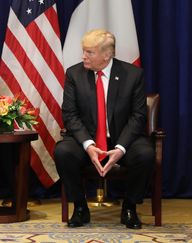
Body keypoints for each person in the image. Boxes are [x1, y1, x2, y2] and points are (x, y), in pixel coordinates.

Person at [54, 29, 154, 229]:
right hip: (88, 138)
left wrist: (120, 148)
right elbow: (70, 115)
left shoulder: (132, 75)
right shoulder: (74, 74)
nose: (84, 56)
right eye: (84, 51)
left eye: (89, 52)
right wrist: (89, 145)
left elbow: (138, 116)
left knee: (145, 154)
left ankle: (130, 207)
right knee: (63, 151)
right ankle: (80, 207)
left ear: (106, 54)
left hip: (122, 138)